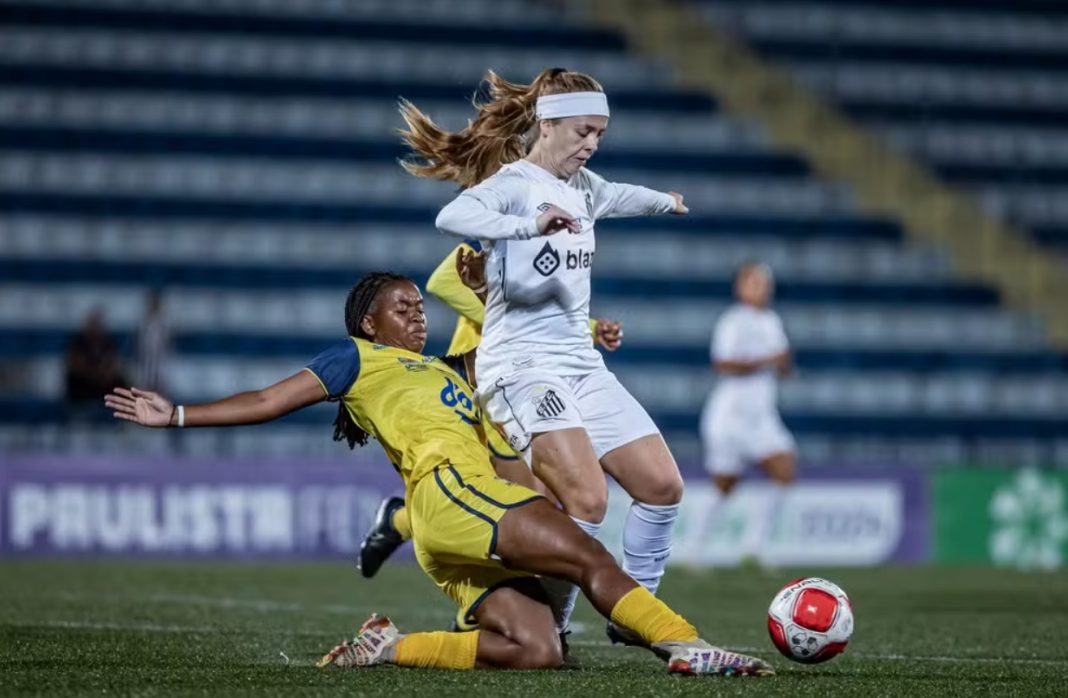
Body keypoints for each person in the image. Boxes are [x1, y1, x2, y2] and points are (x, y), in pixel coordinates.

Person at [105, 272, 772, 676]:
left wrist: (580, 334)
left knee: (537, 650)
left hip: (455, 513)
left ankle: (387, 647)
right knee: (588, 555)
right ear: (370, 321)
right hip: (449, 493)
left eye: (421, 307)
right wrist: (179, 416)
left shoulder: (449, 372)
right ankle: (687, 645)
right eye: (403, 307)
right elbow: (267, 400)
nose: (418, 314)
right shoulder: (357, 358)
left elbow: (509, 377)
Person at [399, 67, 688, 642]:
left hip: (580, 365)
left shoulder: (585, 187)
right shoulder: (517, 182)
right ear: (548, 123)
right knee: (586, 498)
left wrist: (665, 202)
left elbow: (622, 195)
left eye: (600, 134)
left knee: (662, 486)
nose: (592, 144)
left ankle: (636, 616)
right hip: (518, 367)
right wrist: (527, 226)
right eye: (583, 131)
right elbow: (449, 216)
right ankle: (545, 627)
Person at [358, 241, 623, 580]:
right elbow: (443, 280)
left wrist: (589, 328)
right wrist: (510, 324)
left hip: (523, 385)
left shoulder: (544, 250)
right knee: (525, 513)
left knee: (528, 508)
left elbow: (545, 317)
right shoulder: (500, 239)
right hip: (484, 387)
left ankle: (399, 522)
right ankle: (498, 615)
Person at [699, 262, 796, 565]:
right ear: (740, 287)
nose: (760, 287)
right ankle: (693, 548)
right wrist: (768, 359)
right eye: (752, 281)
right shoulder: (733, 321)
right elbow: (723, 364)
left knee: (784, 469)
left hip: (761, 415)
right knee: (725, 485)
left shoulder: (771, 321)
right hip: (730, 416)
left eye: (763, 282)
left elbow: (784, 366)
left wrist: (783, 363)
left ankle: (753, 548)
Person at [65, 307, 125, 422]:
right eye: (93, 323)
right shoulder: (78, 342)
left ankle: (120, 420)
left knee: (120, 382)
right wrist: (96, 372)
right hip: (84, 383)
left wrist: (100, 372)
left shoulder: (108, 343)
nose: (96, 327)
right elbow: (75, 364)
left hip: (101, 383)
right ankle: (77, 417)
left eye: (98, 324)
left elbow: (113, 365)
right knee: (73, 378)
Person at [134, 290, 171, 392]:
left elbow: (167, 343)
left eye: (155, 303)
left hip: (160, 360)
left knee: (159, 382)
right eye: (152, 303)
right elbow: (139, 344)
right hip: (145, 360)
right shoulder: (143, 322)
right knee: (145, 384)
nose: (153, 306)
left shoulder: (164, 322)